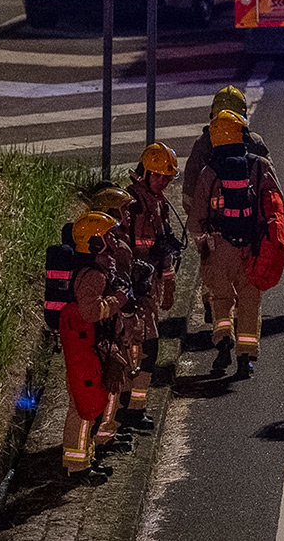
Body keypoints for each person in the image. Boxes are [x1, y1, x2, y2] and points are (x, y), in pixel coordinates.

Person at [189, 110, 284, 380]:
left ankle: (222, 339)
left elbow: (195, 221)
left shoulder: (209, 172)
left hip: (219, 248)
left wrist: (206, 243)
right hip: (252, 248)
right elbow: (278, 205)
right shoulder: (259, 166)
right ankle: (246, 358)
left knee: (222, 298)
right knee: (249, 302)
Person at [182, 86, 269, 325]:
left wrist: (196, 218)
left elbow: (191, 183)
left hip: (214, 226)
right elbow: (267, 182)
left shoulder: (203, 142)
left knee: (211, 264)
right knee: (246, 273)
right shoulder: (254, 141)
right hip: (248, 226)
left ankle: (211, 302)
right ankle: (243, 314)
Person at [61, 212, 130, 485]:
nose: (114, 242)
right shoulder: (92, 276)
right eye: (108, 237)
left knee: (91, 402)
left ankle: (87, 458)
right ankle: (76, 467)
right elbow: (90, 311)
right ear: (95, 243)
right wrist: (117, 301)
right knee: (83, 406)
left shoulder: (96, 271)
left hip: (89, 345)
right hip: (83, 348)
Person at [123, 142, 182, 429]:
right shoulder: (131, 205)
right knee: (140, 349)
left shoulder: (158, 204)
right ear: (144, 173)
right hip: (135, 290)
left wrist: (169, 282)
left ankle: (136, 409)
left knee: (148, 349)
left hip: (151, 288)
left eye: (167, 178)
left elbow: (164, 245)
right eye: (158, 177)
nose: (163, 182)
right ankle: (128, 411)